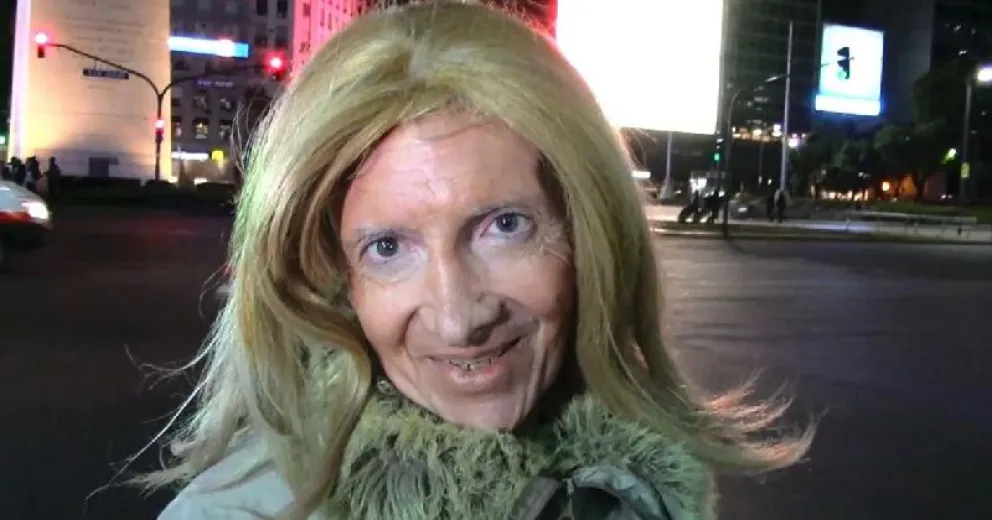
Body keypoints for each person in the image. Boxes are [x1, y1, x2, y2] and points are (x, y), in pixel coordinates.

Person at [143, 2, 812, 519]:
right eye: (387, 247)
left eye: (504, 227)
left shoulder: (638, 485)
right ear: (332, 278)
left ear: (590, 236)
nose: (459, 320)